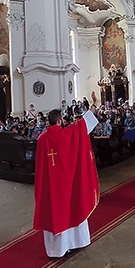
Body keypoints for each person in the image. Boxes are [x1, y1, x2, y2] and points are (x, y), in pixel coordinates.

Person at [33, 108, 99, 258]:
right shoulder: (67, 134)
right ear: (59, 120)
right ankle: (76, 242)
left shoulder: (42, 139)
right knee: (73, 207)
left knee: (53, 212)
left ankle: (56, 251)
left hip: (50, 185)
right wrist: (93, 106)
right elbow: (83, 126)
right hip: (67, 183)